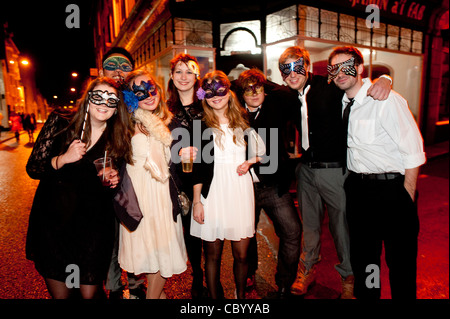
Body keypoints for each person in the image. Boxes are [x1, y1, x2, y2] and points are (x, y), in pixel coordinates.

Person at [279, 46, 392, 298]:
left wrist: (385, 79)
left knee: (342, 229)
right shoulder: (287, 95)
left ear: (306, 66)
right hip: (306, 171)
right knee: (309, 227)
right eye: (286, 69)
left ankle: (348, 277)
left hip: (336, 171)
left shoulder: (328, 86)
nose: (292, 74)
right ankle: (307, 270)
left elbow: (357, 85)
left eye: (297, 67)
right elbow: (252, 87)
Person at [328, 46, 426, 299]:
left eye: (347, 66)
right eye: (334, 68)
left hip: (392, 190)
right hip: (358, 190)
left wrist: (407, 195)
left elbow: (413, 150)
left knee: (401, 265)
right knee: (365, 262)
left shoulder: (387, 100)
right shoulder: (340, 102)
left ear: (360, 69)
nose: (340, 73)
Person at [25, 77, 133, 299]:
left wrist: (113, 180)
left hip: (93, 229)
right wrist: (63, 158)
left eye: (111, 99)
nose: (104, 103)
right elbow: (34, 168)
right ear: (88, 99)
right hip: (55, 225)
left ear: (116, 107)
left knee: (89, 294)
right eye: (98, 96)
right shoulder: (61, 122)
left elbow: (112, 189)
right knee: (64, 295)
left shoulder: (118, 137)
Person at [191, 71, 265, 299]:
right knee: (212, 255)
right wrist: (197, 202)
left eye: (220, 91)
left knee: (242, 254)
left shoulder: (243, 119)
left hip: (240, 190)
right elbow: (198, 168)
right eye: (210, 92)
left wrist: (249, 162)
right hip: (212, 193)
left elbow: (262, 153)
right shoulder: (199, 124)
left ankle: (240, 298)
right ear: (204, 96)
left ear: (228, 92)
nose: (216, 96)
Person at [119, 70, 187, 299]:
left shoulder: (170, 122)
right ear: (130, 97)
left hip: (162, 197)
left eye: (151, 89)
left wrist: (185, 152)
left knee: (164, 253)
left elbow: (177, 160)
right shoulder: (124, 125)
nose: (148, 95)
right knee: (147, 257)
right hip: (137, 199)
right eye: (139, 92)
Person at [235, 68, 302, 298]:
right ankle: (250, 272)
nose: (254, 93)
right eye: (248, 90)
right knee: (247, 233)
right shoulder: (234, 112)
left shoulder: (276, 106)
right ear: (240, 93)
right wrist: (241, 84)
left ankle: (284, 282)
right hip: (244, 186)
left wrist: (260, 80)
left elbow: (288, 92)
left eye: (259, 89)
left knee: (292, 231)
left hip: (274, 184)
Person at [100, 46, 147, 299]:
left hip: (134, 177)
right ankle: (115, 288)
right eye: (112, 65)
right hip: (105, 180)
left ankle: (138, 285)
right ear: (101, 70)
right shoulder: (96, 98)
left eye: (125, 66)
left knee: (135, 229)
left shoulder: (138, 98)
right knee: (110, 238)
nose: (118, 70)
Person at [166, 53, 206, 298]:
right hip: (181, 178)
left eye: (189, 71)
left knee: (211, 228)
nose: (184, 77)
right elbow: (157, 142)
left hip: (208, 174)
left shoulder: (208, 104)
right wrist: (176, 151)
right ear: (171, 76)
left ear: (196, 77)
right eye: (178, 71)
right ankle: (198, 274)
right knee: (191, 229)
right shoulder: (165, 109)